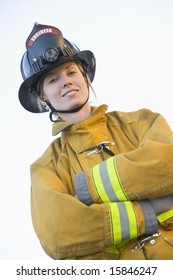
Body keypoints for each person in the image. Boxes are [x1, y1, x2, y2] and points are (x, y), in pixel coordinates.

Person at [18, 22, 173, 260]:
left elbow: (168, 164)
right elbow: (59, 231)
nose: (66, 81)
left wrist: (87, 188)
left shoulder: (143, 122)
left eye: (71, 72)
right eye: (52, 80)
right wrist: (146, 212)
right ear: (42, 96)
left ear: (84, 76)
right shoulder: (46, 169)